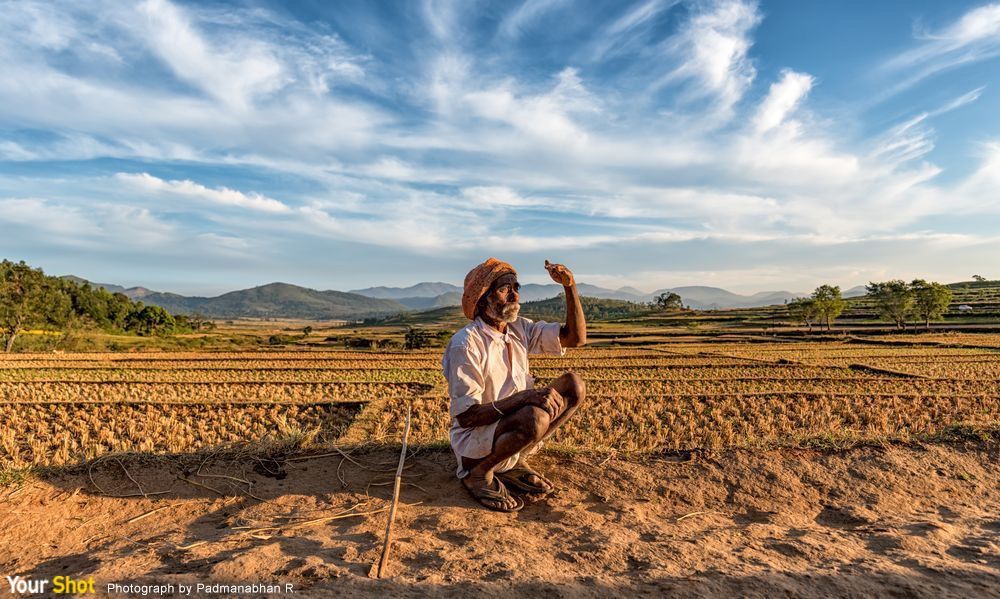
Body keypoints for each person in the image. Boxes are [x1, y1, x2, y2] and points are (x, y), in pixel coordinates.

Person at [441, 257, 587, 512]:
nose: (514, 296)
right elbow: (466, 417)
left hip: (510, 427)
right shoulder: (466, 344)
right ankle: (478, 473)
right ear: (483, 297)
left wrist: (569, 286)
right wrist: (524, 398)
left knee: (574, 385)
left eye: (516, 288)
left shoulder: (518, 329)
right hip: (476, 439)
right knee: (534, 417)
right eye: (504, 289)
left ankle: (515, 458)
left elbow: (575, 338)